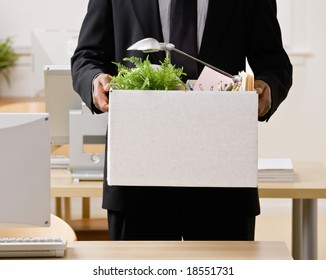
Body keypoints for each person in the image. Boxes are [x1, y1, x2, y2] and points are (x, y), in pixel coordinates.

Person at [71, 0, 292, 241]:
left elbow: (274, 61)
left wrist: (268, 87)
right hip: (136, 177)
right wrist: (94, 80)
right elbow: (87, 57)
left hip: (223, 178)